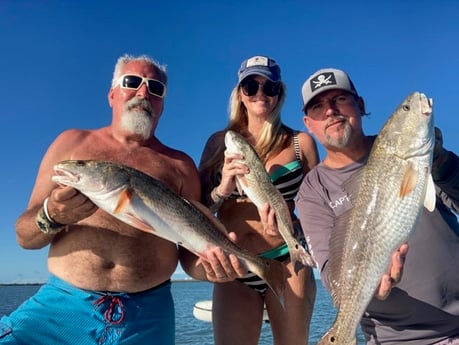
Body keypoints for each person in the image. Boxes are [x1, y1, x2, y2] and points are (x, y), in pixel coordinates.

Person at [0, 54, 243, 345]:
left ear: (162, 104)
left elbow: (189, 253)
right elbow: (25, 237)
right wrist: (52, 214)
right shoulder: (72, 144)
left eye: (155, 88)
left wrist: (212, 269)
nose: (143, 92)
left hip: (147, 316)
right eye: (132, 82)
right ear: (112, 94)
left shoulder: (181, 166)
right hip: (60, 308)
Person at [296, 67, 459, 344]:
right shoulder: (313, 192)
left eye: (340, 100)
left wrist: (442, 163)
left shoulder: (425, 157)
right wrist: (374, 292)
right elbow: (331, 275)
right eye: (318, 106)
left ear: (360, 105)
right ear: (308, 124)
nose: (330, 111)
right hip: (400, 340)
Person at [199, 55, 320, 345]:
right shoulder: (218, 142)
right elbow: (199, 207)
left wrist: (293, 230)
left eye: (270, 87)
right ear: (240, 93)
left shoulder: (300, 143)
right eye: (251, 86)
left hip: (289, 263)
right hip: (235, 265)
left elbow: (319, 209)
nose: (260, 94)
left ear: (280, 93)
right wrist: (223, 188)